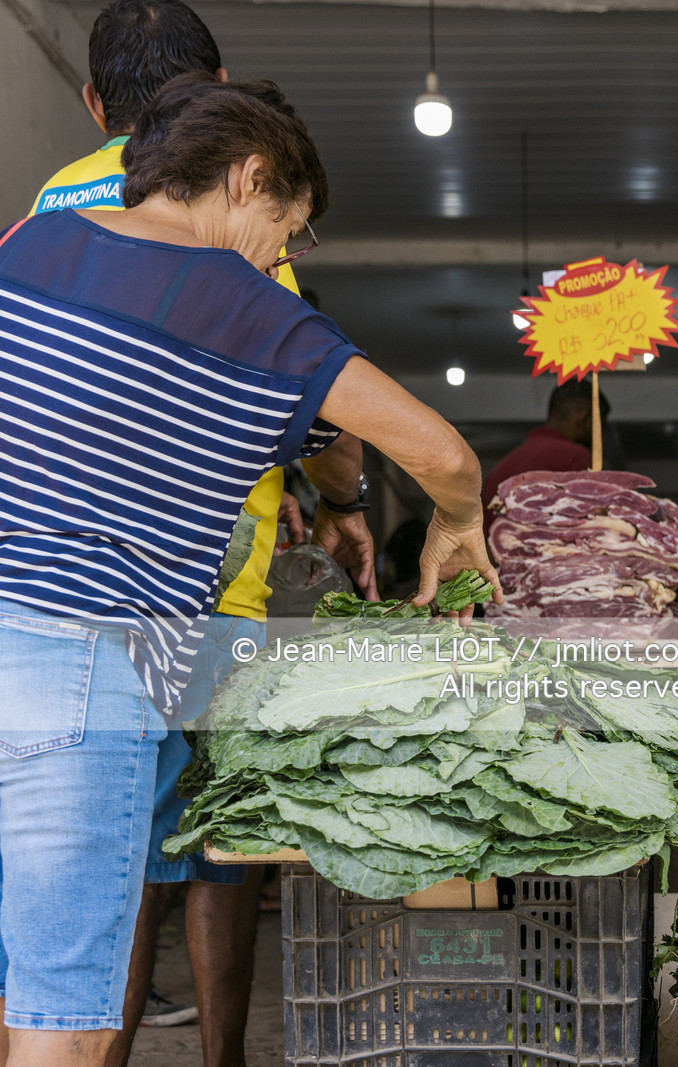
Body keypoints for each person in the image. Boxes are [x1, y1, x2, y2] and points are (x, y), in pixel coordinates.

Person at [0, 74, 497, 1067]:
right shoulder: (251, 309)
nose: (283, 254)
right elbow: (439, 452)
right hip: (79, 663)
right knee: (69, 1015)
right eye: (288, 227)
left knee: (22, 968)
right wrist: (453, 523)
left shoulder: (29, 246)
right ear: (249, 177)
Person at [30, 3, 378, 1060]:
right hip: (204, 588)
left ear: (95, 105)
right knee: (223, 839)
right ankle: (222, 1054)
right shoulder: (233, 213)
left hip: (58, 600)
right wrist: (345, 499)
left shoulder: (52, 208)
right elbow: (302, 397)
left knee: (108, 848)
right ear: (222, 90)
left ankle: (113, 1043)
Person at [481, 379, 610, 507]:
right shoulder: (576, 458)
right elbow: (590, 522)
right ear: (584, 419)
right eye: (600, 427)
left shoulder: (498, 472)